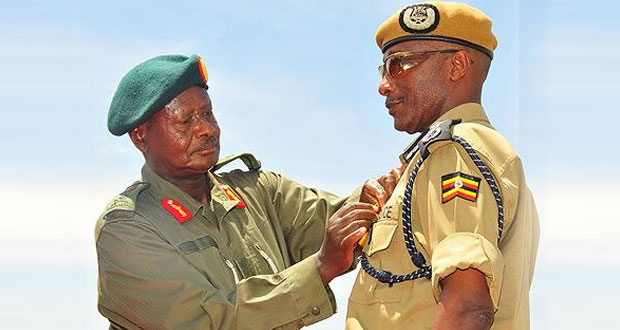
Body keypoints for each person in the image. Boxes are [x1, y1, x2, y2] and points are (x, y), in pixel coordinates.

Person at [95, 54, 399, 330]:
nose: (207, 130)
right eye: (185, 121)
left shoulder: (258, 191)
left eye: (208, 114)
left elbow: (341, 218)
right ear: (140, 136)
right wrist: (320, 268)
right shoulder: (127, 229)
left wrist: (385, 191)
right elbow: (207, 321)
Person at [346, 2, 540, 330]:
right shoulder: (455, 156)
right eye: (383, 69)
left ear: (457, 66)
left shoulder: (453, 153)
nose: (384, 85)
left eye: (398, 65)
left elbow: (467, 307)